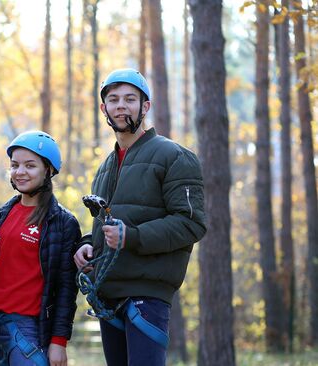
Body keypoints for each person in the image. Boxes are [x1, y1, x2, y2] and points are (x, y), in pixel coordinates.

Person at [73, 68, 206, 366]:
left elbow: (192, 223)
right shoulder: (106, 166)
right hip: (108, 295)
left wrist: (131, 237)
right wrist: (86, 245)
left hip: (147, 296)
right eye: (114, 99)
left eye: (130, 99)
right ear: (103, 108)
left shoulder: (174, 156)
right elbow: (104, 226)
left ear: (145, 107)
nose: (121, 105)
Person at [0, 131, 81, 366]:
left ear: (48, 170)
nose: (20, 172)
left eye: (30, 166)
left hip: (25, 329)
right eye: (15, 165)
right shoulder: (4, 212)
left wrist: (59, 341)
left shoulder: (62, 222)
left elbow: (66, 288)